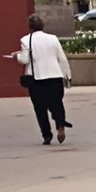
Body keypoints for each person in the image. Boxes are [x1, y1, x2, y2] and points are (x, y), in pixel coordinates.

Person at [14, 15, 72, 145]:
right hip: (55, 75)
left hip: (37, 78)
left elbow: (25, 60)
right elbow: (61, 57)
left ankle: (46, 135)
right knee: (57, 103)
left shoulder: (26, 40)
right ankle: (60, 125)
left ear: (29, 27)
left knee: (40, 108)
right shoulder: (53, 39)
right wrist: (67, 74)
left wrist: (17, 55)